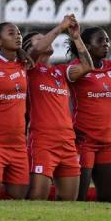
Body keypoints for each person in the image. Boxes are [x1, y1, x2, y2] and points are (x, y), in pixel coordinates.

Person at [23, 14, 94, 201]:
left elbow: (87, 66)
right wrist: (60, 27)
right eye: (39, 38)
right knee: (38, 196)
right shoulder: (28, 69)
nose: (44, 41)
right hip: (42, 141)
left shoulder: (60, 72)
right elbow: (37, 48)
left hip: (67, 141)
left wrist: (76, 37)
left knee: (69, 199)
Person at [67, 27, 111, 202]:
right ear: (87, 46)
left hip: (108, 142)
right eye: (100, 40)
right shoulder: (75, 68)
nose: (106, 44)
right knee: (78, 198)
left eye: (107, 40)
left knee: (109, 199)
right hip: (84, 142)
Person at [0, 22, 29, 199]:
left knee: (19, 195)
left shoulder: (24, 63)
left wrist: (62, 28)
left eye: (18, 33)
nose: (18, 36)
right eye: (11, 33)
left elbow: (40, 46)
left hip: (17, 142)